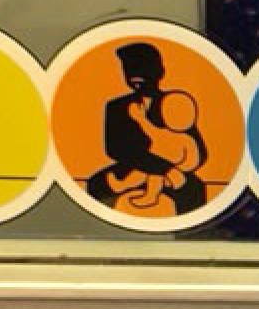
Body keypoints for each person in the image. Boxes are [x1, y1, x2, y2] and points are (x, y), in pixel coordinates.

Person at [86, 43, 207, 215]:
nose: (135, 75)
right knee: (96, 185)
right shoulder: (116, 106)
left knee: (194, 189)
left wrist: (177, 169)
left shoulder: (175, 104)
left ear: (159, 71)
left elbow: (198, 150)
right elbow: (115, 149)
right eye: (129, 69)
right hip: (134, 167)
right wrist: (164, 169)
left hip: (176, 171)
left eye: (142, 68)